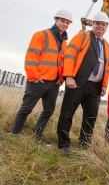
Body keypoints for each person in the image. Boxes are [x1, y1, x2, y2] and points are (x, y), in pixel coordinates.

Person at [11, 9, 73, 145]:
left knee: (48, 111)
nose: (65, 24)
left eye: (68, 23)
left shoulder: (64, 42)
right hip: (38, 80)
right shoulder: (41, 35)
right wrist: (33, 76)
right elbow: (31, 56)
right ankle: (14, 135)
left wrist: (61, 78)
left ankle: (37, 137)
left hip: (54, 83)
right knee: (26, 108)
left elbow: (63, 62)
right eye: (63, 21)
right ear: (56, 20)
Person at [56, 12, 109, 153]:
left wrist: (104, 85)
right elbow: (69, 55)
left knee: (91, 117)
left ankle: (84, 145)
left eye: (103, 24)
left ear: (107, 27)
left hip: (95, 87)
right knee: (67, 113)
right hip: (77, 83)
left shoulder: (107, 45)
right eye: (97, 23)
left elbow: (107, 66)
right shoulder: (83, 36)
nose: (100, 26)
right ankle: (64, 144)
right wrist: (68, 76)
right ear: (92, 24)